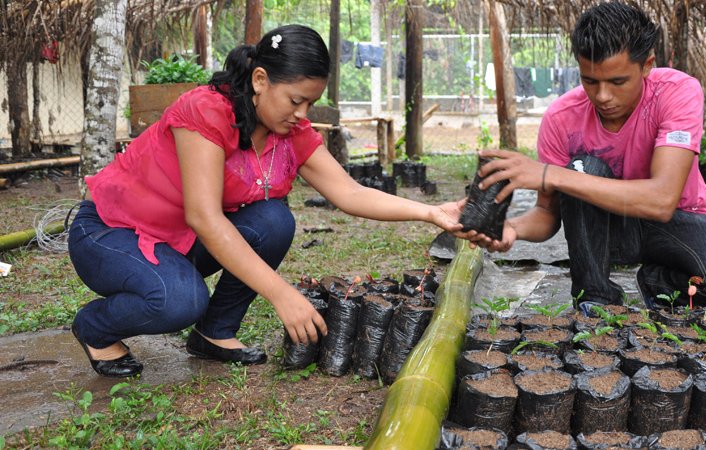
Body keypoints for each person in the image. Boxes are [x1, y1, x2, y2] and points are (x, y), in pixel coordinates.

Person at [67, 25, 465, 378]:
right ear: (260, 79)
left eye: (310, 102)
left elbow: (350, 192)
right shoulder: (205, 112)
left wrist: (430, 212)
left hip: (176, 240)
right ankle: (95, 327)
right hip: (111, 233)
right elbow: (205, 218)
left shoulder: (290, 131)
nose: (302, 113)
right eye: (296, 100)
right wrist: (281, 293)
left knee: (273, 220)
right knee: (179, 300)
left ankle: (215, 331)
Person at [468, 2, 706, 315]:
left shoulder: (677, 92)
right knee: (584, 168)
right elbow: (547, 214)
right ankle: (596, 299)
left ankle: (658, 281)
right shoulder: (561, 118)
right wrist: (513, 228)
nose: (603, 96)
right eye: (590, 81)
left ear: (647, 65)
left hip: (678, 223)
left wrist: (550, 173)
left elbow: (662, 200)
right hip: (606, 232)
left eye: (618, 82)